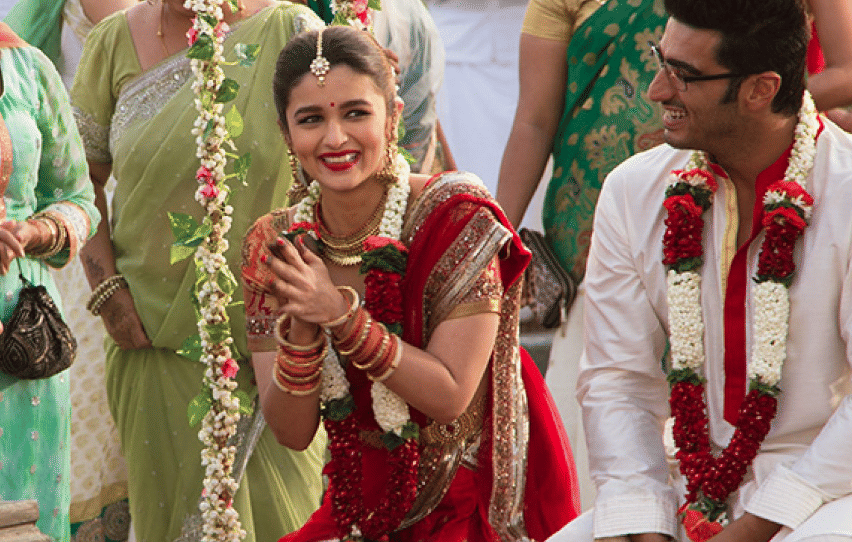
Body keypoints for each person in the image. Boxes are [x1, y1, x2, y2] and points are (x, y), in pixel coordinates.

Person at [241, 25, 580, 542]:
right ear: (287, 134)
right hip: (357, 504)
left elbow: (450, 393)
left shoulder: (456, 220)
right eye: (311, 119)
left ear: (393, 115)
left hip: (463, 505)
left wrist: (340, 317)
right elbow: (292, 431)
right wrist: (303, 334)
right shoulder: (278, 246)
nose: (335, 138)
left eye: (356, 113)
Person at [548, 0, 852, 539]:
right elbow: (619, 379)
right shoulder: (634, 190)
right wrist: (643, 518)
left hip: (828, 488)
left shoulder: (845, 190)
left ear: (760, 90)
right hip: (692, 484)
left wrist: (756, 526)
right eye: (659, 60)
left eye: (683, 75)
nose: (656, 91)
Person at [70, 2, 327, 542]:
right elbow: (77, 178)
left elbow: (337, 160)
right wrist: (108, 293)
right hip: (152, 343)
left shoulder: (291, 31)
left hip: (278, 342)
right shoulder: (113, 42)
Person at [495, 0, 668, 510]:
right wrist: (492, 240)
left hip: (715, 206)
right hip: (593, 232)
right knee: (596, 417)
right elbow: (534, 120)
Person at [0, 23, 100, 542]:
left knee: (26, 518)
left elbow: (79, 199)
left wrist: (36, 231)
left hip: (22, 343)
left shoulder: (28, 69)